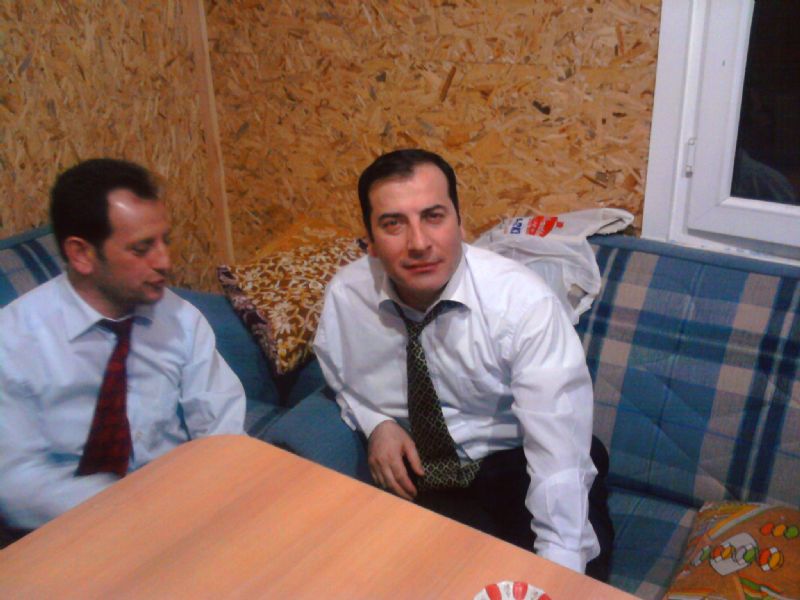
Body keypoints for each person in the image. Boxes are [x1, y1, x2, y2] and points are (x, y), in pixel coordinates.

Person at [313, 149, 613, 578]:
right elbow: (338, 370)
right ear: (371, 242)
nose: (419, 243)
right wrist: (375, 422)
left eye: (433, 216)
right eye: (393, 223)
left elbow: (558, 458)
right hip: (430, 476)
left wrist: (559, 574)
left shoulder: (523, 304)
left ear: (460, 223)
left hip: (522, 461)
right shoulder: (348, 297)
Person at [0, 158, 246, 537]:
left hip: (183, 512)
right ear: (82, 254)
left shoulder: (180, 319)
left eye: (165, 241)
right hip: (68, 531)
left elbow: (221, 429)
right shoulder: (13, 342)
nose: (164, 262)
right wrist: (137, 511)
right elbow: (17, 484)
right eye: (141, 248)